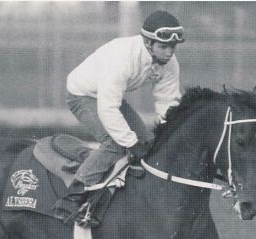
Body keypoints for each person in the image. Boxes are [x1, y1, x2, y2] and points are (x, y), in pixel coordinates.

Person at [53, 10, 185, 224]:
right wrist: (131, 143)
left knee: (149, 143)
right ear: (148, 43)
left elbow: (168, 103)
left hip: (110, 97)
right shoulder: (123, 59)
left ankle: (125, 198)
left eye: (172, 47)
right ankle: (72, 197)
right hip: (83, 95)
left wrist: (170, 133)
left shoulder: (170, 64)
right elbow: (108, 109)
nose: (169, 53)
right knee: (114, 144)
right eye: (163, 46)